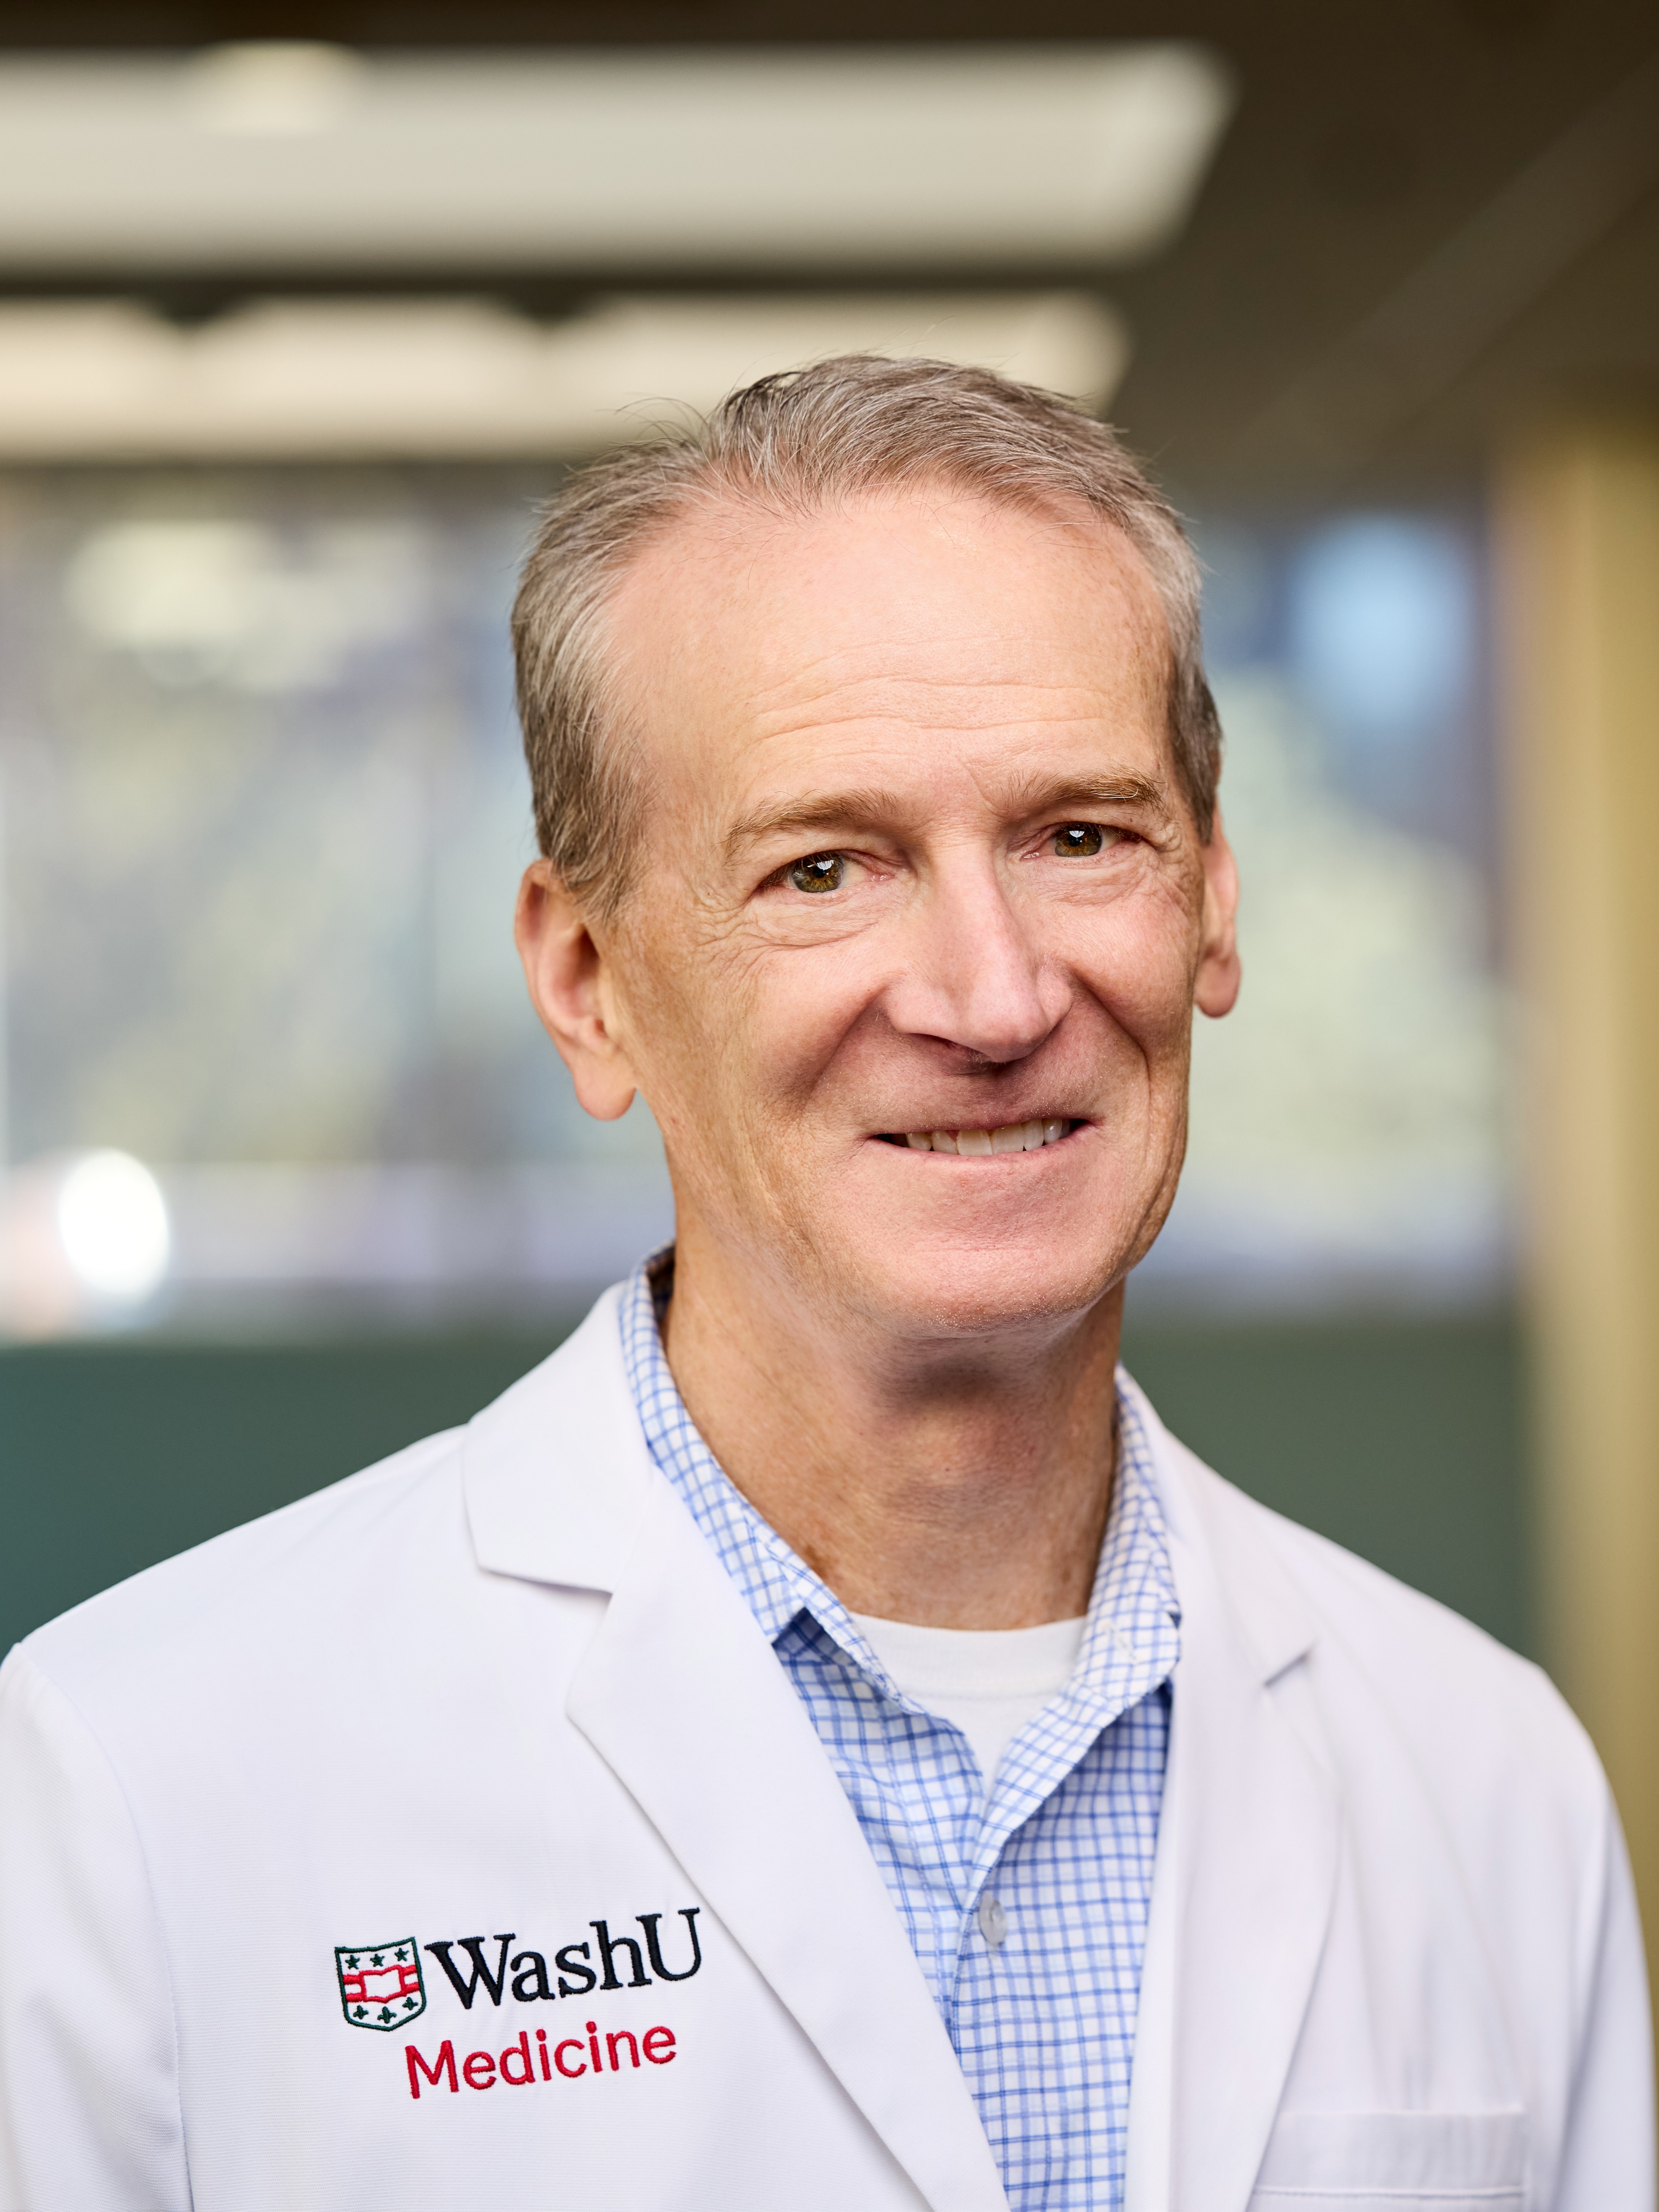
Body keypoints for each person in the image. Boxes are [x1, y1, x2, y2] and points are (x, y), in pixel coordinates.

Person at [0, 357, 1648, 2212]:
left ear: (1210, 900)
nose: (992, 997)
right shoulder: (145, 1779)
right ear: (585, 981)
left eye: (1079, 837)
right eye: (823, 868)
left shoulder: (1483, 1772)